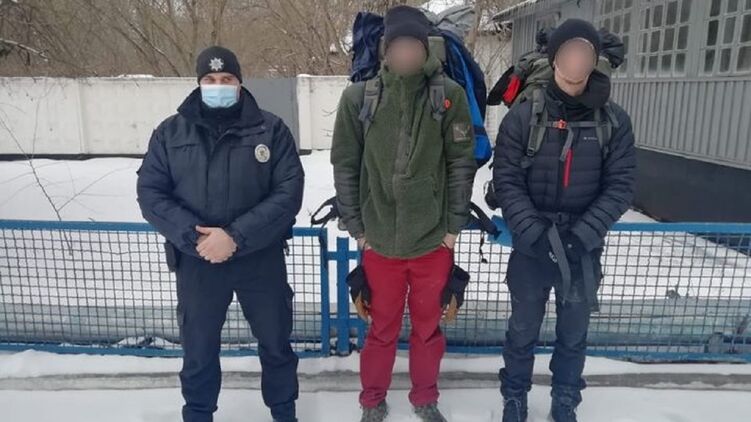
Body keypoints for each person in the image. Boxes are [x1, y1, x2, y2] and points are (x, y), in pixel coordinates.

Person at [136, 45, 304, 422]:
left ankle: (284, 412)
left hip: (260, 259)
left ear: (240, 83)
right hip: (198, 262)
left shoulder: (271, 129)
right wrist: (196, 238)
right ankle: (198, 414)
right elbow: (150, 193)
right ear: (199, 83)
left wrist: (235, 236)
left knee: (276, 344)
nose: (218, 86)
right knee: (198, 350)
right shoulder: (170, 132)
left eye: (227, 79)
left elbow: (288, 193)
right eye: (210, 80)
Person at [331, 5, 477, 422]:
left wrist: (452, 229)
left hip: (432, 243)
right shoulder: (359, 98)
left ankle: (424, 398)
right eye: (398, 45)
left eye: (414, 45)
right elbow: (345, 164)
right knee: (381, 330)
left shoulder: (449, 95)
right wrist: (359, 230)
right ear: (385, 49)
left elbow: (461, 163)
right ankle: (372, 401)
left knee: (428, 331)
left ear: (425, 48)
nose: (406, 53)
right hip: (379, 243)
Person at [492, 19, 636, 422]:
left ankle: (566, 399)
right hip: (532, 246)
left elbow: (621, 186)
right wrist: (534, 234)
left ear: (594, 60)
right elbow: (506, 180)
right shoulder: (523, 117)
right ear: (555, 59)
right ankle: (514, 397)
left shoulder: (614, 120)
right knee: (522, 329)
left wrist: (582, 236)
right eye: (569, 51)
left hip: (582, 248)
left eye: (585, 53)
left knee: (574, 333)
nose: (577, 60)